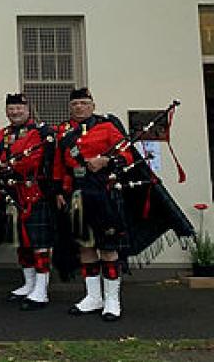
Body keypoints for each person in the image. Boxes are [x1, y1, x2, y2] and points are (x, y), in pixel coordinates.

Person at [54, 87, 133, 321]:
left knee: (108, 248)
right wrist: (59, 190)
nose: (79, 107)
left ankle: (112, 300)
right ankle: (93, 297)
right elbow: (59, 164)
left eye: (84, 103)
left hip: (103, 192)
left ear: (93, 105)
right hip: (77, 193)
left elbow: (127, 155)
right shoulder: (63, 131)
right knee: (85, 246)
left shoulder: (107, 127)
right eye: (75, 103)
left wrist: (106, 159)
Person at [0, 93, 56, 310]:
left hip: (34, 193)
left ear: (28, 110)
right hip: (11, 192)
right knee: (22, 241)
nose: (15, 112)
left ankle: (41, 290)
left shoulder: (40, 132)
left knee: (39, 243)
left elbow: (31, 161)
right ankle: (29, 283)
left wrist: (1, 169)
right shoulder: (2, 134)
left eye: (19, 109)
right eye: (11, 109)